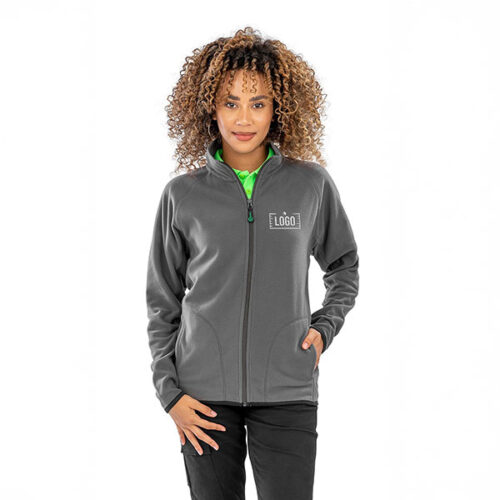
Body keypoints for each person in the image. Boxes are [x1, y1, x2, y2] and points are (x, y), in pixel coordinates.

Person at [146, 26, 360, 500]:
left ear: (277, 108)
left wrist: (324, 328)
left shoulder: (310, 186)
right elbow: (162, 302)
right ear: (210, 107)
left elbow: (344, 266)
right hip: (201, 397)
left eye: (258, 103)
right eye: (231, 102)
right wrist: (170, 393)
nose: (244, 118)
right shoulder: (182, 195)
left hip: (287, 389)